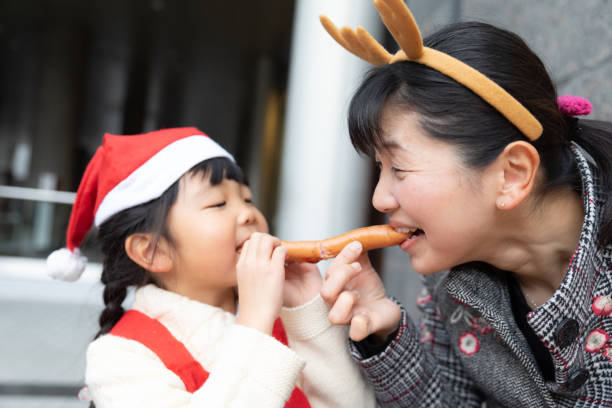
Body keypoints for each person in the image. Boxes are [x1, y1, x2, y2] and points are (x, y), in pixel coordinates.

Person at [318, 0, 612, 407]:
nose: (379, 198)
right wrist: (384, 332)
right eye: (380, 168)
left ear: (511, 174)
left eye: (399, 168)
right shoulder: (449, 289)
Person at [46, 127, 376, 408]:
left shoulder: (278, 319)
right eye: (218, 203)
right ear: (153, 250)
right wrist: (255, 320)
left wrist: (308, 314)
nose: (249, 214)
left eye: (247, 199)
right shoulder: (120, 357)